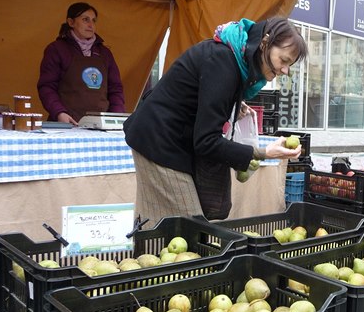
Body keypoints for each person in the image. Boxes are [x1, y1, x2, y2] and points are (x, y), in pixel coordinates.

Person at [123, 17, 306, 225]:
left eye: (289, 65)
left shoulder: (234, 60)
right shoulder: (223, 62)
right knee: (187, 228)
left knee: (156, 224)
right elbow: (206, 141)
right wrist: (264, 152)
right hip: (158, 140)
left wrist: (229, 108)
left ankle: (146, 250)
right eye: (283, 60)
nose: (285, 71)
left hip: (165, 138)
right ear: (264, 43)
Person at [37, 2, 125, 124]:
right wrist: (59, 112)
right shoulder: (57, 49)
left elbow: (115, 89)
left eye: (94, 21)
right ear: (71, 22)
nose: (91, 25)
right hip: (67, 123)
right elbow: (47, 87)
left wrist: (115, 116)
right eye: (85, 20)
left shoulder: (105, 53)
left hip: (100, 125)